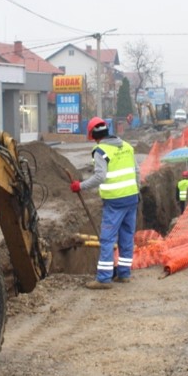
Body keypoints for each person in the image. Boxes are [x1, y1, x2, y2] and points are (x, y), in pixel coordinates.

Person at [71, 117, 140, 290]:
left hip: (115, 201)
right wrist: (135, 191)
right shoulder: (127, 146)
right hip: (131, 198)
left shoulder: (100, 150)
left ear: (93, 135)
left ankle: (103, 278)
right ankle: (124, 274)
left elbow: (100, 176)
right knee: (126, 236)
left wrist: (81, 186)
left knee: (107, 239)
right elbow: (137, 171)